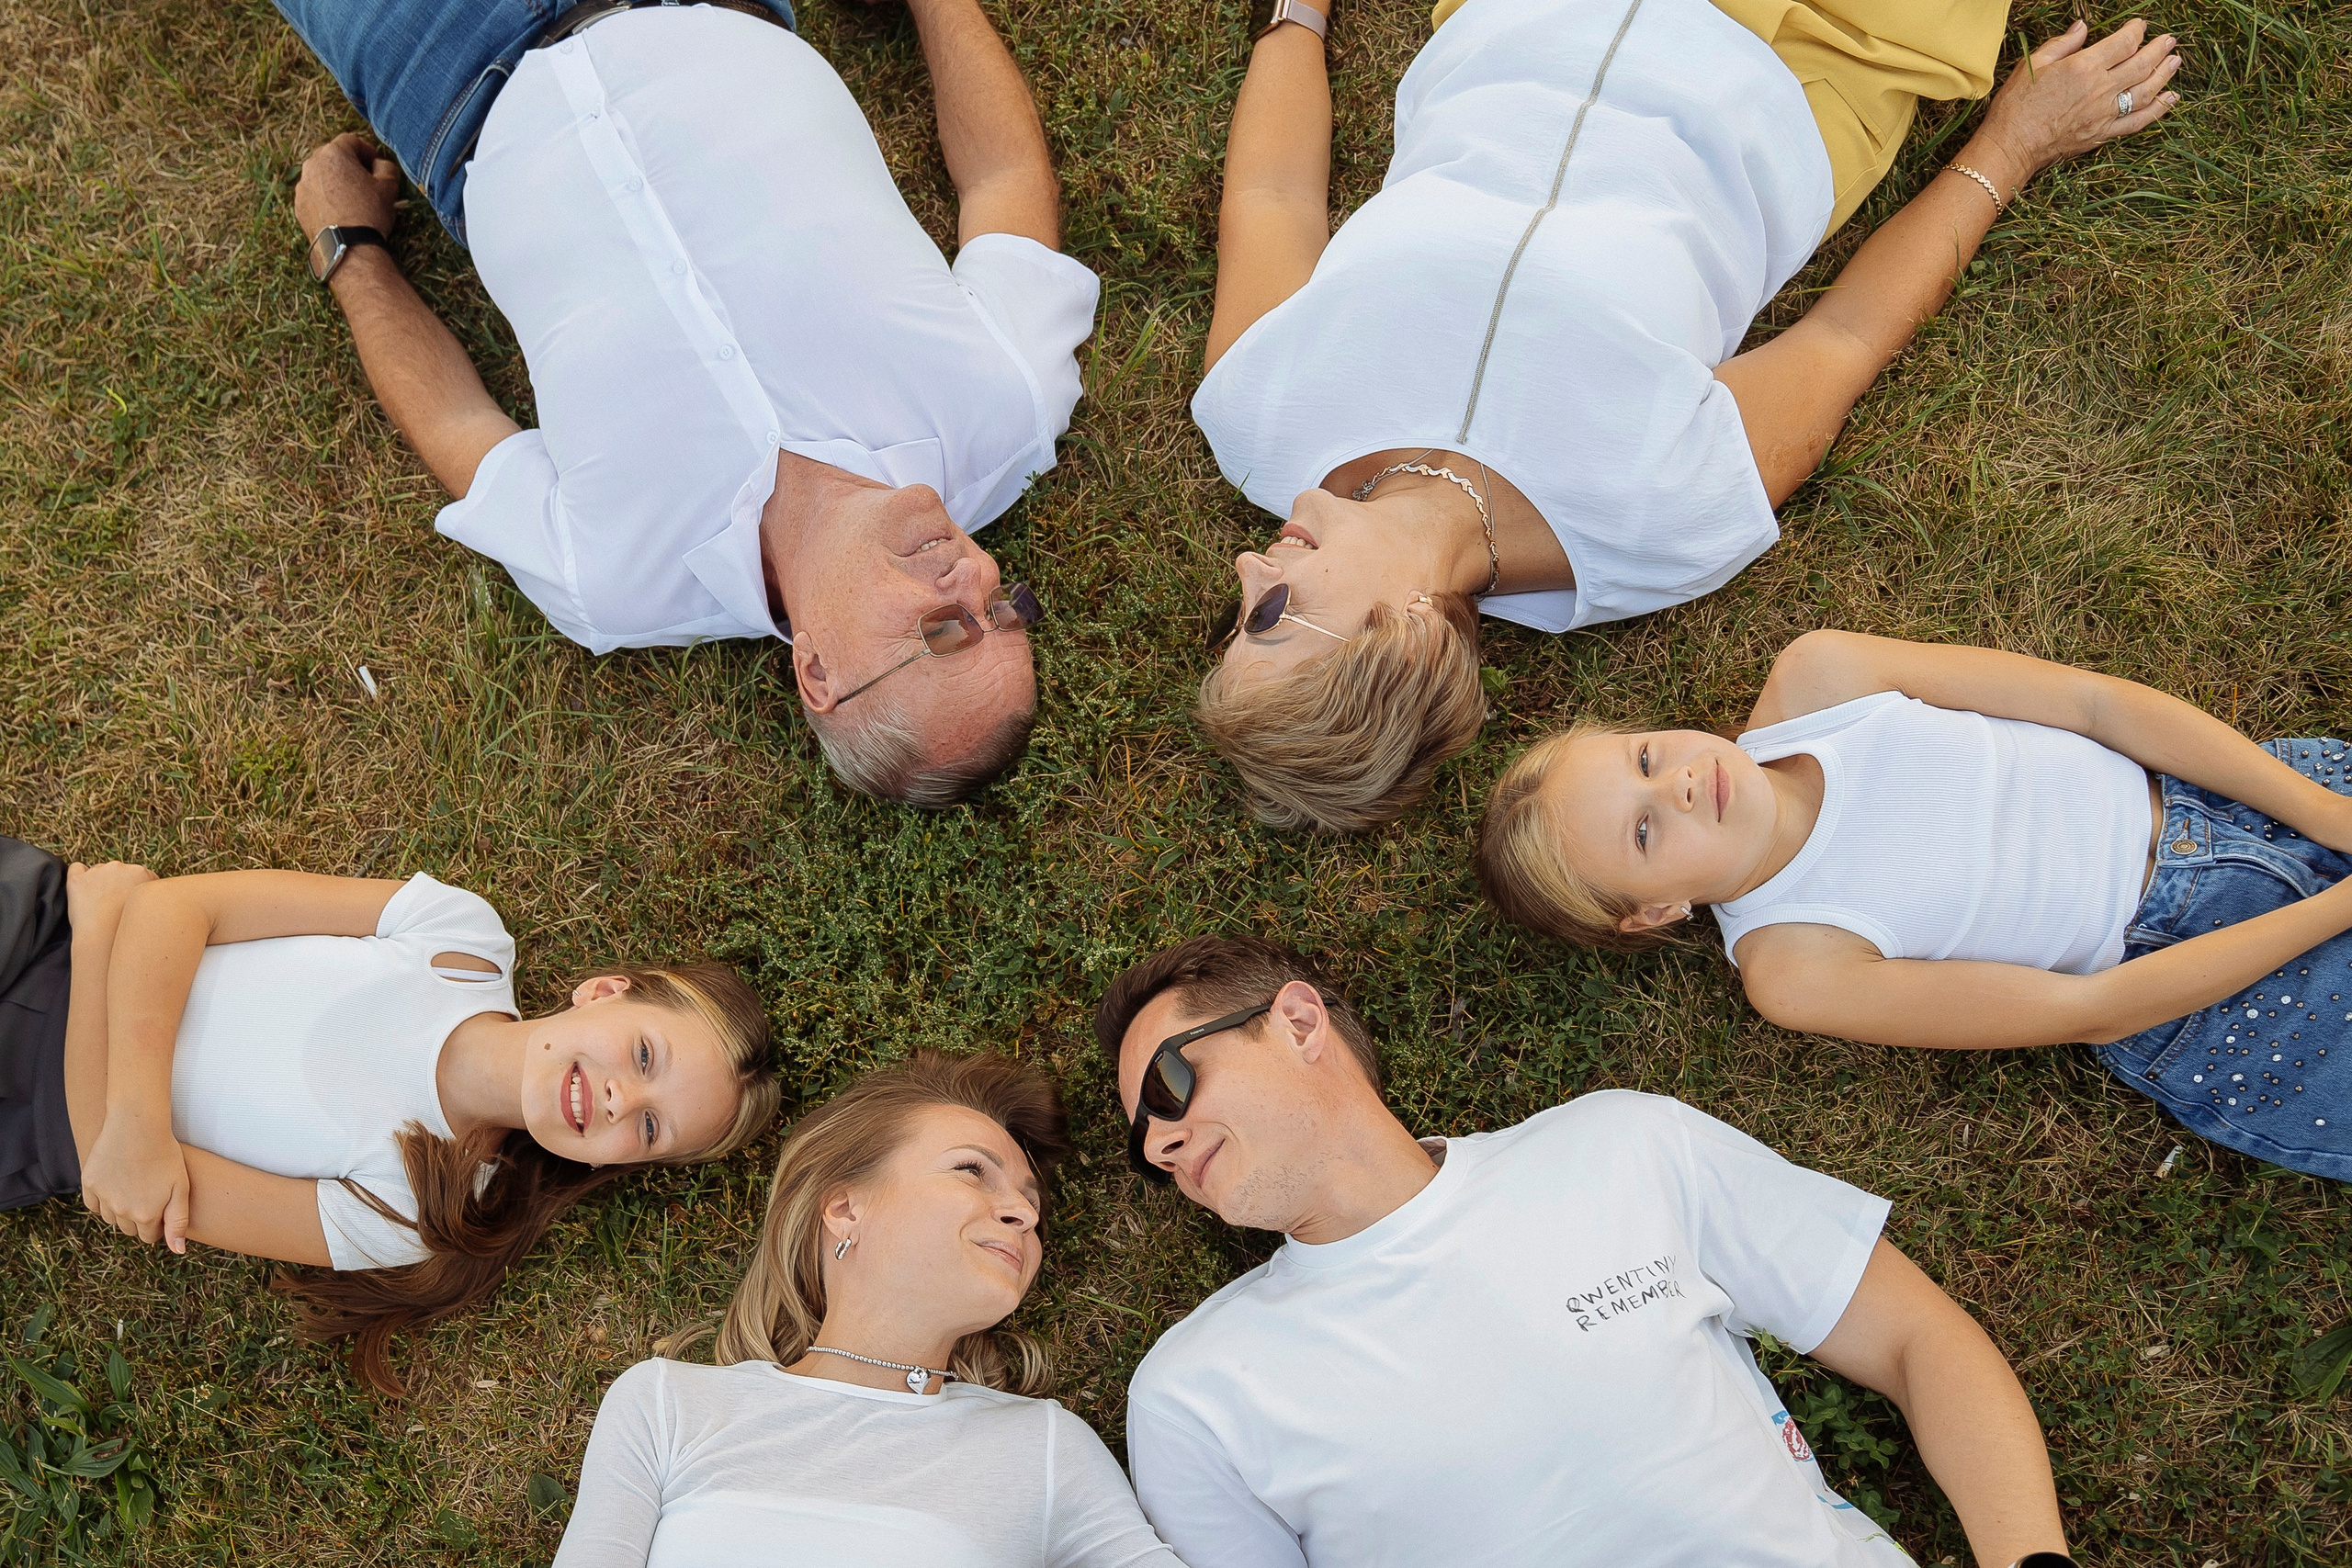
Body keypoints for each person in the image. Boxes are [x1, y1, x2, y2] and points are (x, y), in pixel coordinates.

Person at [1189, 0, 2182, 831]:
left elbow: (1274, 197)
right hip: (1808, 58)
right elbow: (1846, 335)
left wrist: (1298, 12)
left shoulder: (1256, 416)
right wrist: (2017, 141)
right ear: (1401, 639)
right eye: (1269, 617)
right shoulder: (1659, 521)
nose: (1248, 568)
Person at [274, 0, 1101, 804]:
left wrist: (350, 250)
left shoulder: (620, 583)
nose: (974, 576)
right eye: (1003, 607)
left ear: (818, 672)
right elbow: (1004, 179)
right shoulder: (1007, 409)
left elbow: (459, 423)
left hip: (441, 70)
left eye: (947, 630)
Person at [1096, 934, 2074, 1567]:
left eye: (1173, 1087)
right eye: (1146, 1148)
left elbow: (1915, 1341)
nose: (1160, 1142)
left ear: (1298, 1022)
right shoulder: (1194, 1394)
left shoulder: (1621, 1146)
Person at [1477, 630, 2352, 1184]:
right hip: (2207, 985)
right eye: (1643, 833)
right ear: (1657, 910)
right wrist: (2337, 907)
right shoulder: (1794, 965)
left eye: (1641, 759)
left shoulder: (1823, 680)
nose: (1678, 784)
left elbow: (2096, 704)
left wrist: (2324, 816)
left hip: (2228, 799)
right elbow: (2090, 1010)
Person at [0, 838, 779, 1394]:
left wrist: (107, 934)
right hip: (34, 935)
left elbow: (120, 1179)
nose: (620, 1099)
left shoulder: (415, 1213)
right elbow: (179, 908)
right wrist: (129, 1114)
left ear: (615, 1165)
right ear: (607, 990)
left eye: (648, 1128)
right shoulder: (460, 937)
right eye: (645, 1057)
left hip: (23, 1115)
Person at [553, 1050, 1185, 1566]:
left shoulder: (1043, 1448)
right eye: (972, 1170)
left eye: (1030, 1205)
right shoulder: (668, 1405)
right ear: (846, 1208)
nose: (1023, 1214)